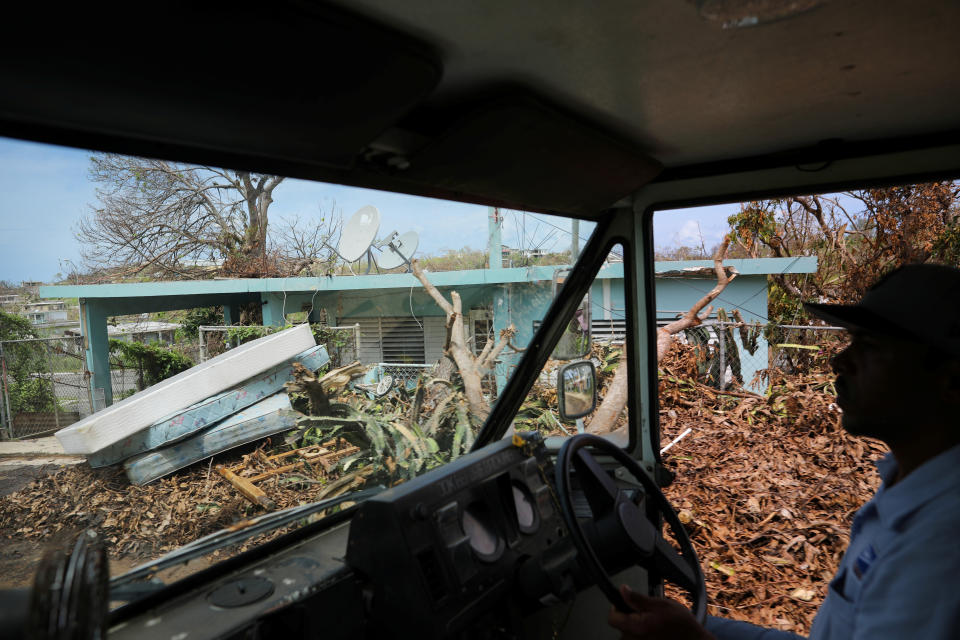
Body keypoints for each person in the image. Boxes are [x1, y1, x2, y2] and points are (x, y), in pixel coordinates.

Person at [609, 263, 960, 639]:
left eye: (869, 347)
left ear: (951, 380)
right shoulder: (906, 486)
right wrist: (700, 628)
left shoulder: (940, 547)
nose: (839, 360)